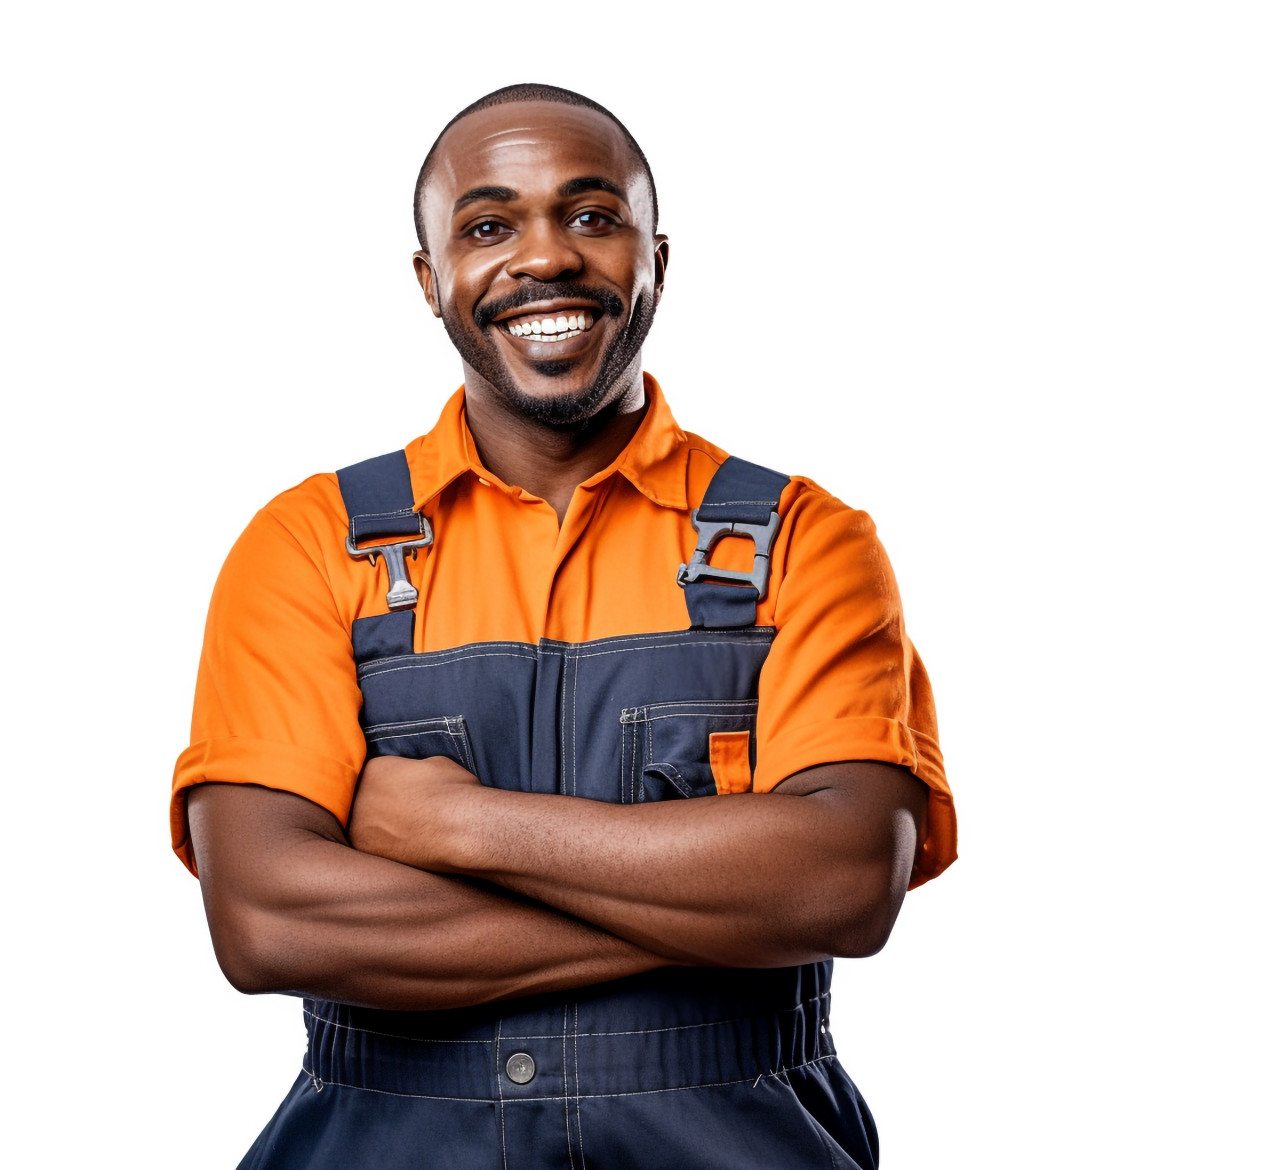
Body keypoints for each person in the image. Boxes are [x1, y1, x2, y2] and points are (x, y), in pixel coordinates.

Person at [172, 82, 958, 1170]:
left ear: (656, 260)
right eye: (487, 227)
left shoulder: (805, 543)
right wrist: (719, 909)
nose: (544, 256)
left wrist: (462, 827)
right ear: (429, 279)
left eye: (591, 216)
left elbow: (843, 884)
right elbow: (268, 923)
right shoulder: (308, 546)